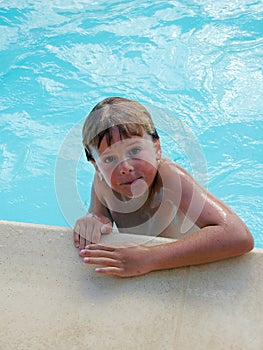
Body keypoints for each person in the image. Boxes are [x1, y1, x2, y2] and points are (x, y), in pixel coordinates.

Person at [73, 97, 254, 277]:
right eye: (109, 159)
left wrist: (150, 258)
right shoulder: (102, 183)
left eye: (135, 151)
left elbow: (238, 235)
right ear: (96, 166)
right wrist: (93, 220)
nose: (125, 167)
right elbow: (101, 216)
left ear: (156, 148)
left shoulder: (170, 178)